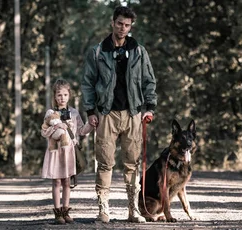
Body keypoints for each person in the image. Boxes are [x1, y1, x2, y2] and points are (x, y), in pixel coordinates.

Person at [81, 6, 157, 223]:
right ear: (112, 22)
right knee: (105, 163)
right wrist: (90, 112)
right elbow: (87, 83)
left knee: (132, 163)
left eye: (127, 25)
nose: (123, 28)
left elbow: (149, 80)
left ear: (131, 26)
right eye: (119, 23)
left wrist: (149, 107)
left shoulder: (139, 51)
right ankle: (103, 208)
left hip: (133, 113)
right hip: (106, 114)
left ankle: (133, 209)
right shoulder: (97, 52)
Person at [41, 79, 95, 224]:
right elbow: (44, 132)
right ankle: (57, 212)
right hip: (55, 152)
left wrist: (91, 125)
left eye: (65, 94)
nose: (62, 98)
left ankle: (66, 211)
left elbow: (81, 130)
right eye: (59, 95)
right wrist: (57, 126)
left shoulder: (74, 112)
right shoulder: (51, 113)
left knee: (66, 182)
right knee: (56, 181)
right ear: (55, 96)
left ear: (69, 95)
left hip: (69, 152)